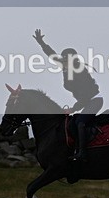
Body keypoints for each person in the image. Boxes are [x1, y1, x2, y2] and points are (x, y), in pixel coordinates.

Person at [33, 29, 103, 161]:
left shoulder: (79, 72)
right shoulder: (65, 66)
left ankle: (82, 153)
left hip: (94, 100)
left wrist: (73, 109)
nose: (62, 62)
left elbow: (85, 95)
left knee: (80, 122)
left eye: (65, 60)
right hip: (86, 102)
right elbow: (51, 54)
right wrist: (41, 42)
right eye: (62, 59)